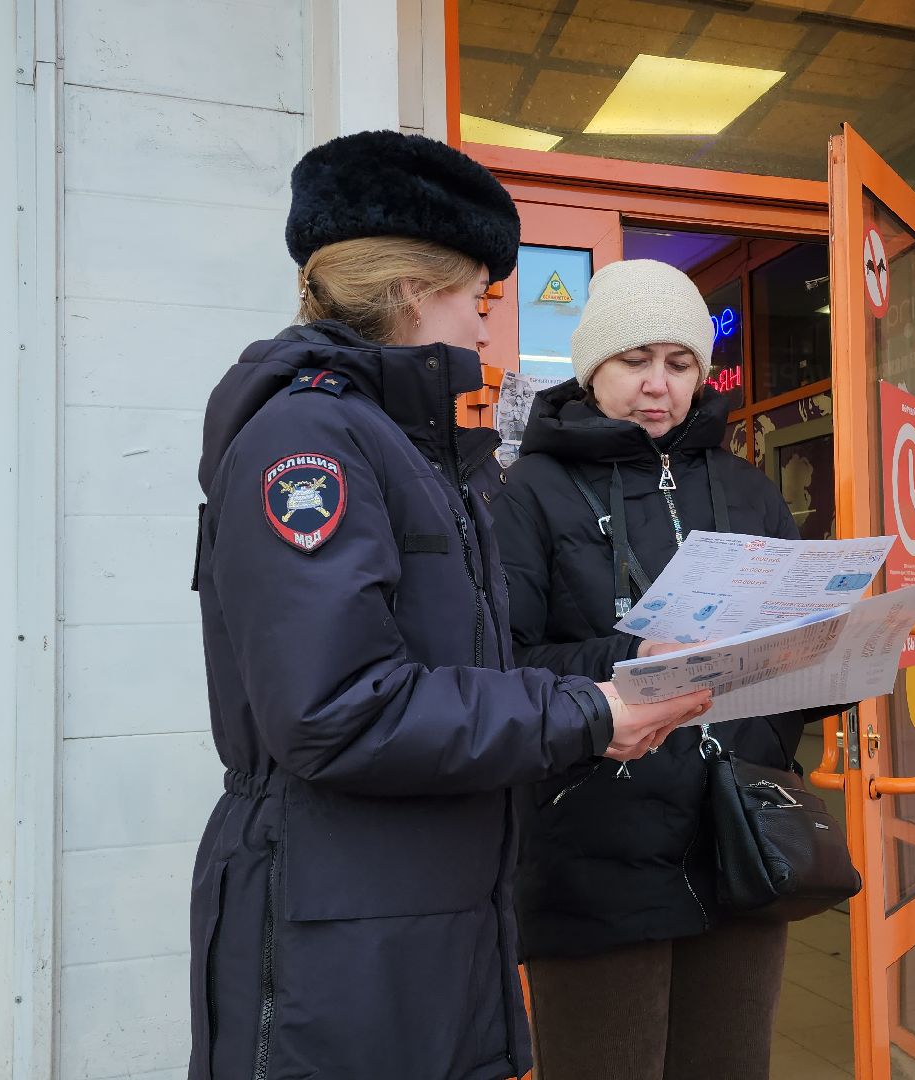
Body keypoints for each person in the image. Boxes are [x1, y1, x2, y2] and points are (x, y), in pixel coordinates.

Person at [188, 133, 710, 1080]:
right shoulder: (310, 439)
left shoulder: (410, 448)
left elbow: (471, 673)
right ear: (408, 290)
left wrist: (621, 671)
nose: (484, 327)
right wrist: (590, 717)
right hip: (340, 937)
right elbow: (337, 710)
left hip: (420, 912)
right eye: (481, 296)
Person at [496, 259, 821, 1080]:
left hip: (740, 837)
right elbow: (503, 664)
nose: (658, 386)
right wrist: (631, 658)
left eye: (679, 364)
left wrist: (847, 655)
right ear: (591, 368)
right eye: (635, 361)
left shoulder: (748, 489)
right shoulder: (528, 492)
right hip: (595, 843)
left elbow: (792, 653)